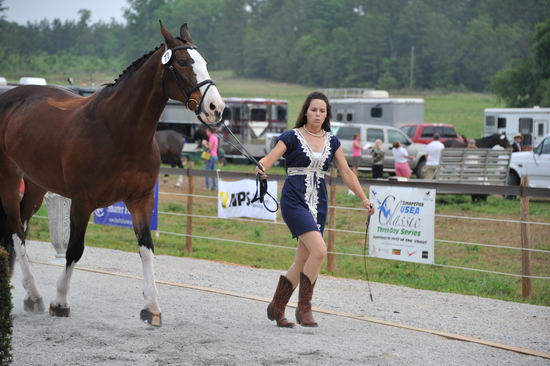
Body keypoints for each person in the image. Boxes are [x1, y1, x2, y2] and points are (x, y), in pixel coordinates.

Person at [256, 91, 375, 328]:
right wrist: (261, 168)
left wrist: (363, 198)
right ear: (306, 111)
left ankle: (276, 307)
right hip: (294, 200)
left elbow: (347, 172)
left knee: (303, 260)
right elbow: (268, 159)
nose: (318, 114)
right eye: (314, 110)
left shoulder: (333, 141)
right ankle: (304, 309)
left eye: (322, 110)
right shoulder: (291, 136)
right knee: (319, 251)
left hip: (319, 202)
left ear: (327, 114)